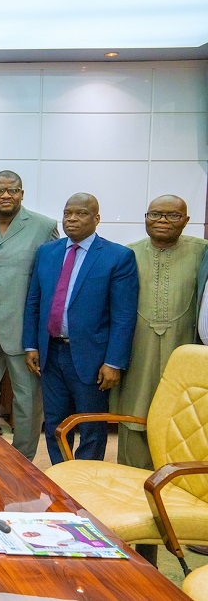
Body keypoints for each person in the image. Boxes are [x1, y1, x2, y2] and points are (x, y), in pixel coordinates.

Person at [23, 193, 139, 464]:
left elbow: (124, 315)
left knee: (91, 427)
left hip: (92, 357)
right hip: (51, 353)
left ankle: (85, 480)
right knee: (54, 424)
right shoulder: (47, 252)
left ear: (97, 218)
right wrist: (31, 344)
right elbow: (34, 302)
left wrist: (114, 362)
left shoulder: (117, 257)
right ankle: (61, 477)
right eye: (67, 213)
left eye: (81, 213)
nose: (72, 219)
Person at [112, 195, 207, 469]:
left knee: (183, 417)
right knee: (134, 411)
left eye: (172, 215)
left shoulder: (203, 252)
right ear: (145, 218)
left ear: (186, 220)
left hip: (184, 347)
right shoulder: (127, 253)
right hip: (137, 348)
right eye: (155, 214)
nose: (162, 220)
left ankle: (177, 484)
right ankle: (131, 477)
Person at [0, 171, 58, 460]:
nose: (6, 196)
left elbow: (52, 281)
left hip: (25, 329)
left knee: (27, 400)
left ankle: (23, 460)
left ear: (22, 193)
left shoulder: (44, 226)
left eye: (12, 190)